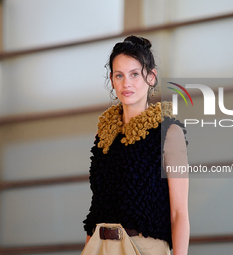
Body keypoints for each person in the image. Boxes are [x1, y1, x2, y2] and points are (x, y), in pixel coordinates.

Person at [81, 35, 189, 255]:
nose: (126, 83)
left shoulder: (169, 133)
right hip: (98, 247)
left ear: (151, 77)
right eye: (119, 75)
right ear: (111, 79)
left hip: (144, 248)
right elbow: (96, 206)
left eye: (134, 74)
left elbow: (179, 214)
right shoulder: (103, 135)